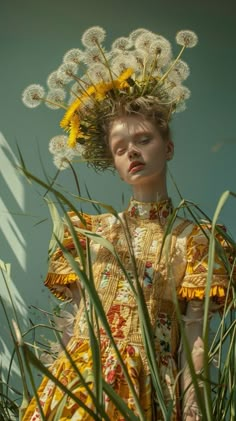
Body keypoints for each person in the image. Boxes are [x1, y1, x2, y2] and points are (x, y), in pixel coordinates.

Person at [21, 27, 233, 421]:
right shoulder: (88, 231)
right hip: (76, 390)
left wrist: (192, 411)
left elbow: (194, 338)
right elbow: (73, 324)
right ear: (115, 165)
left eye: (143, 139)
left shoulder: (196, 240)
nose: (132, 151)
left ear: (167, 147)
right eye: (121, 148)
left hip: (145, 390)